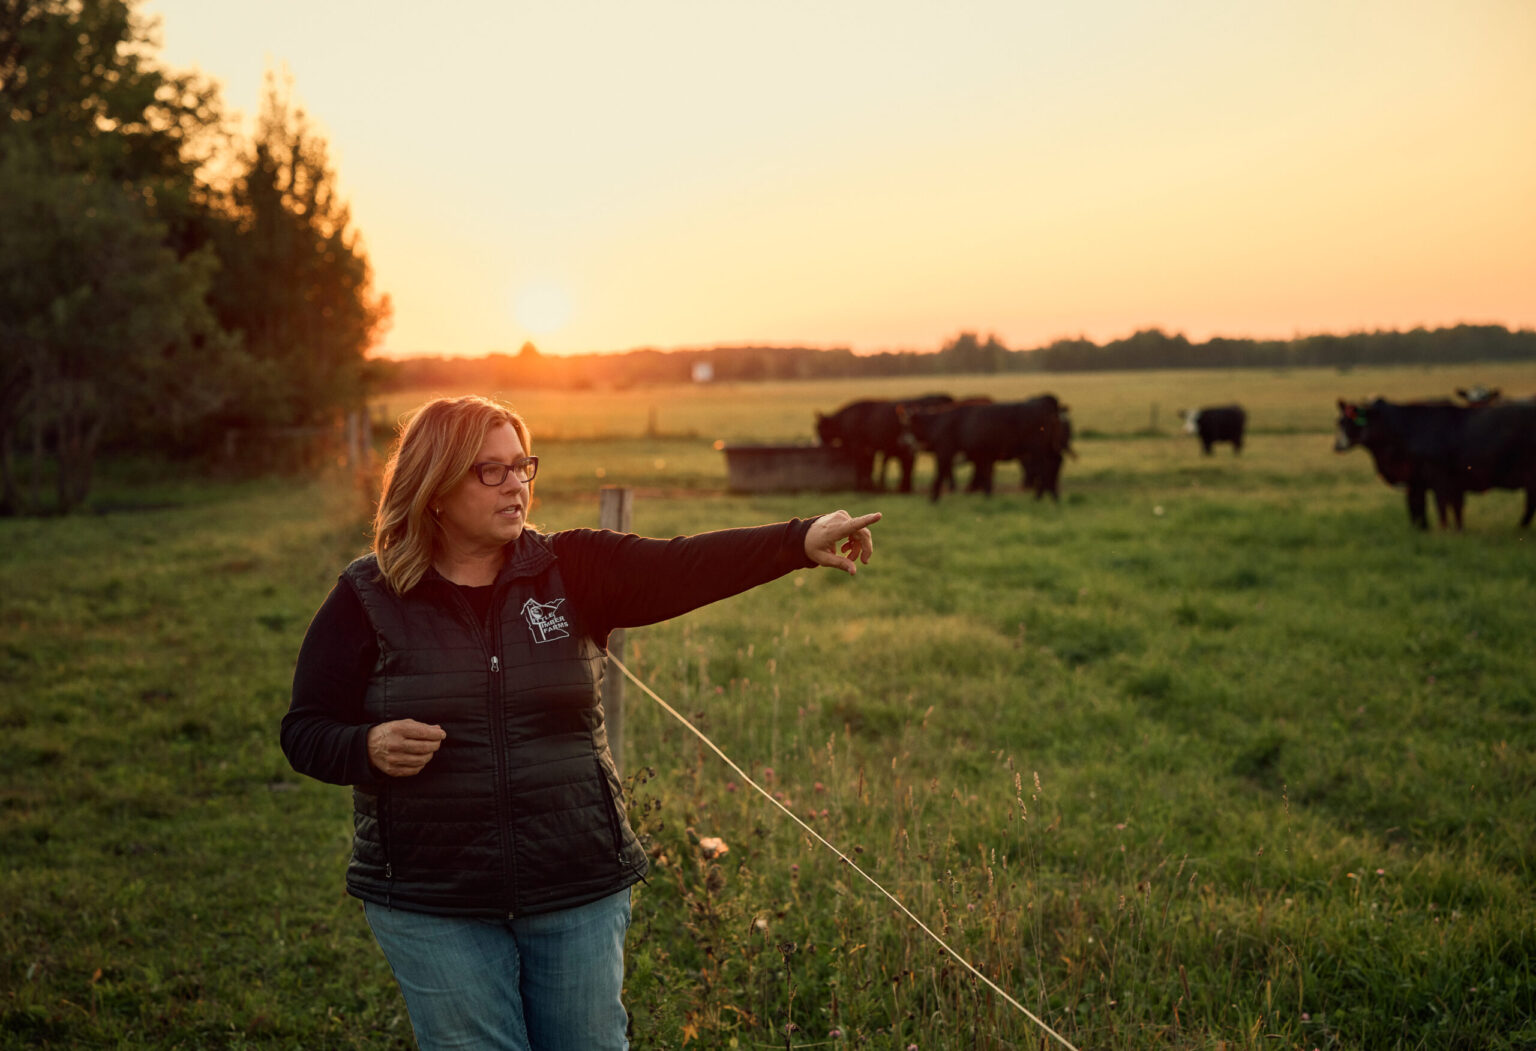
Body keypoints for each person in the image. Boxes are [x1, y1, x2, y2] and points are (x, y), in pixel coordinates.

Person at [281, 394, 880, 1051]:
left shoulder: (572, 569)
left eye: (521, 466)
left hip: (576, 881)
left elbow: (684, 564)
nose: (516, 484)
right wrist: (365, 746)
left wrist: (797, 541)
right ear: (436, 487)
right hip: (432, 894)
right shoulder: (368, 596)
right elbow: (305, 729)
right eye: (490, 470)